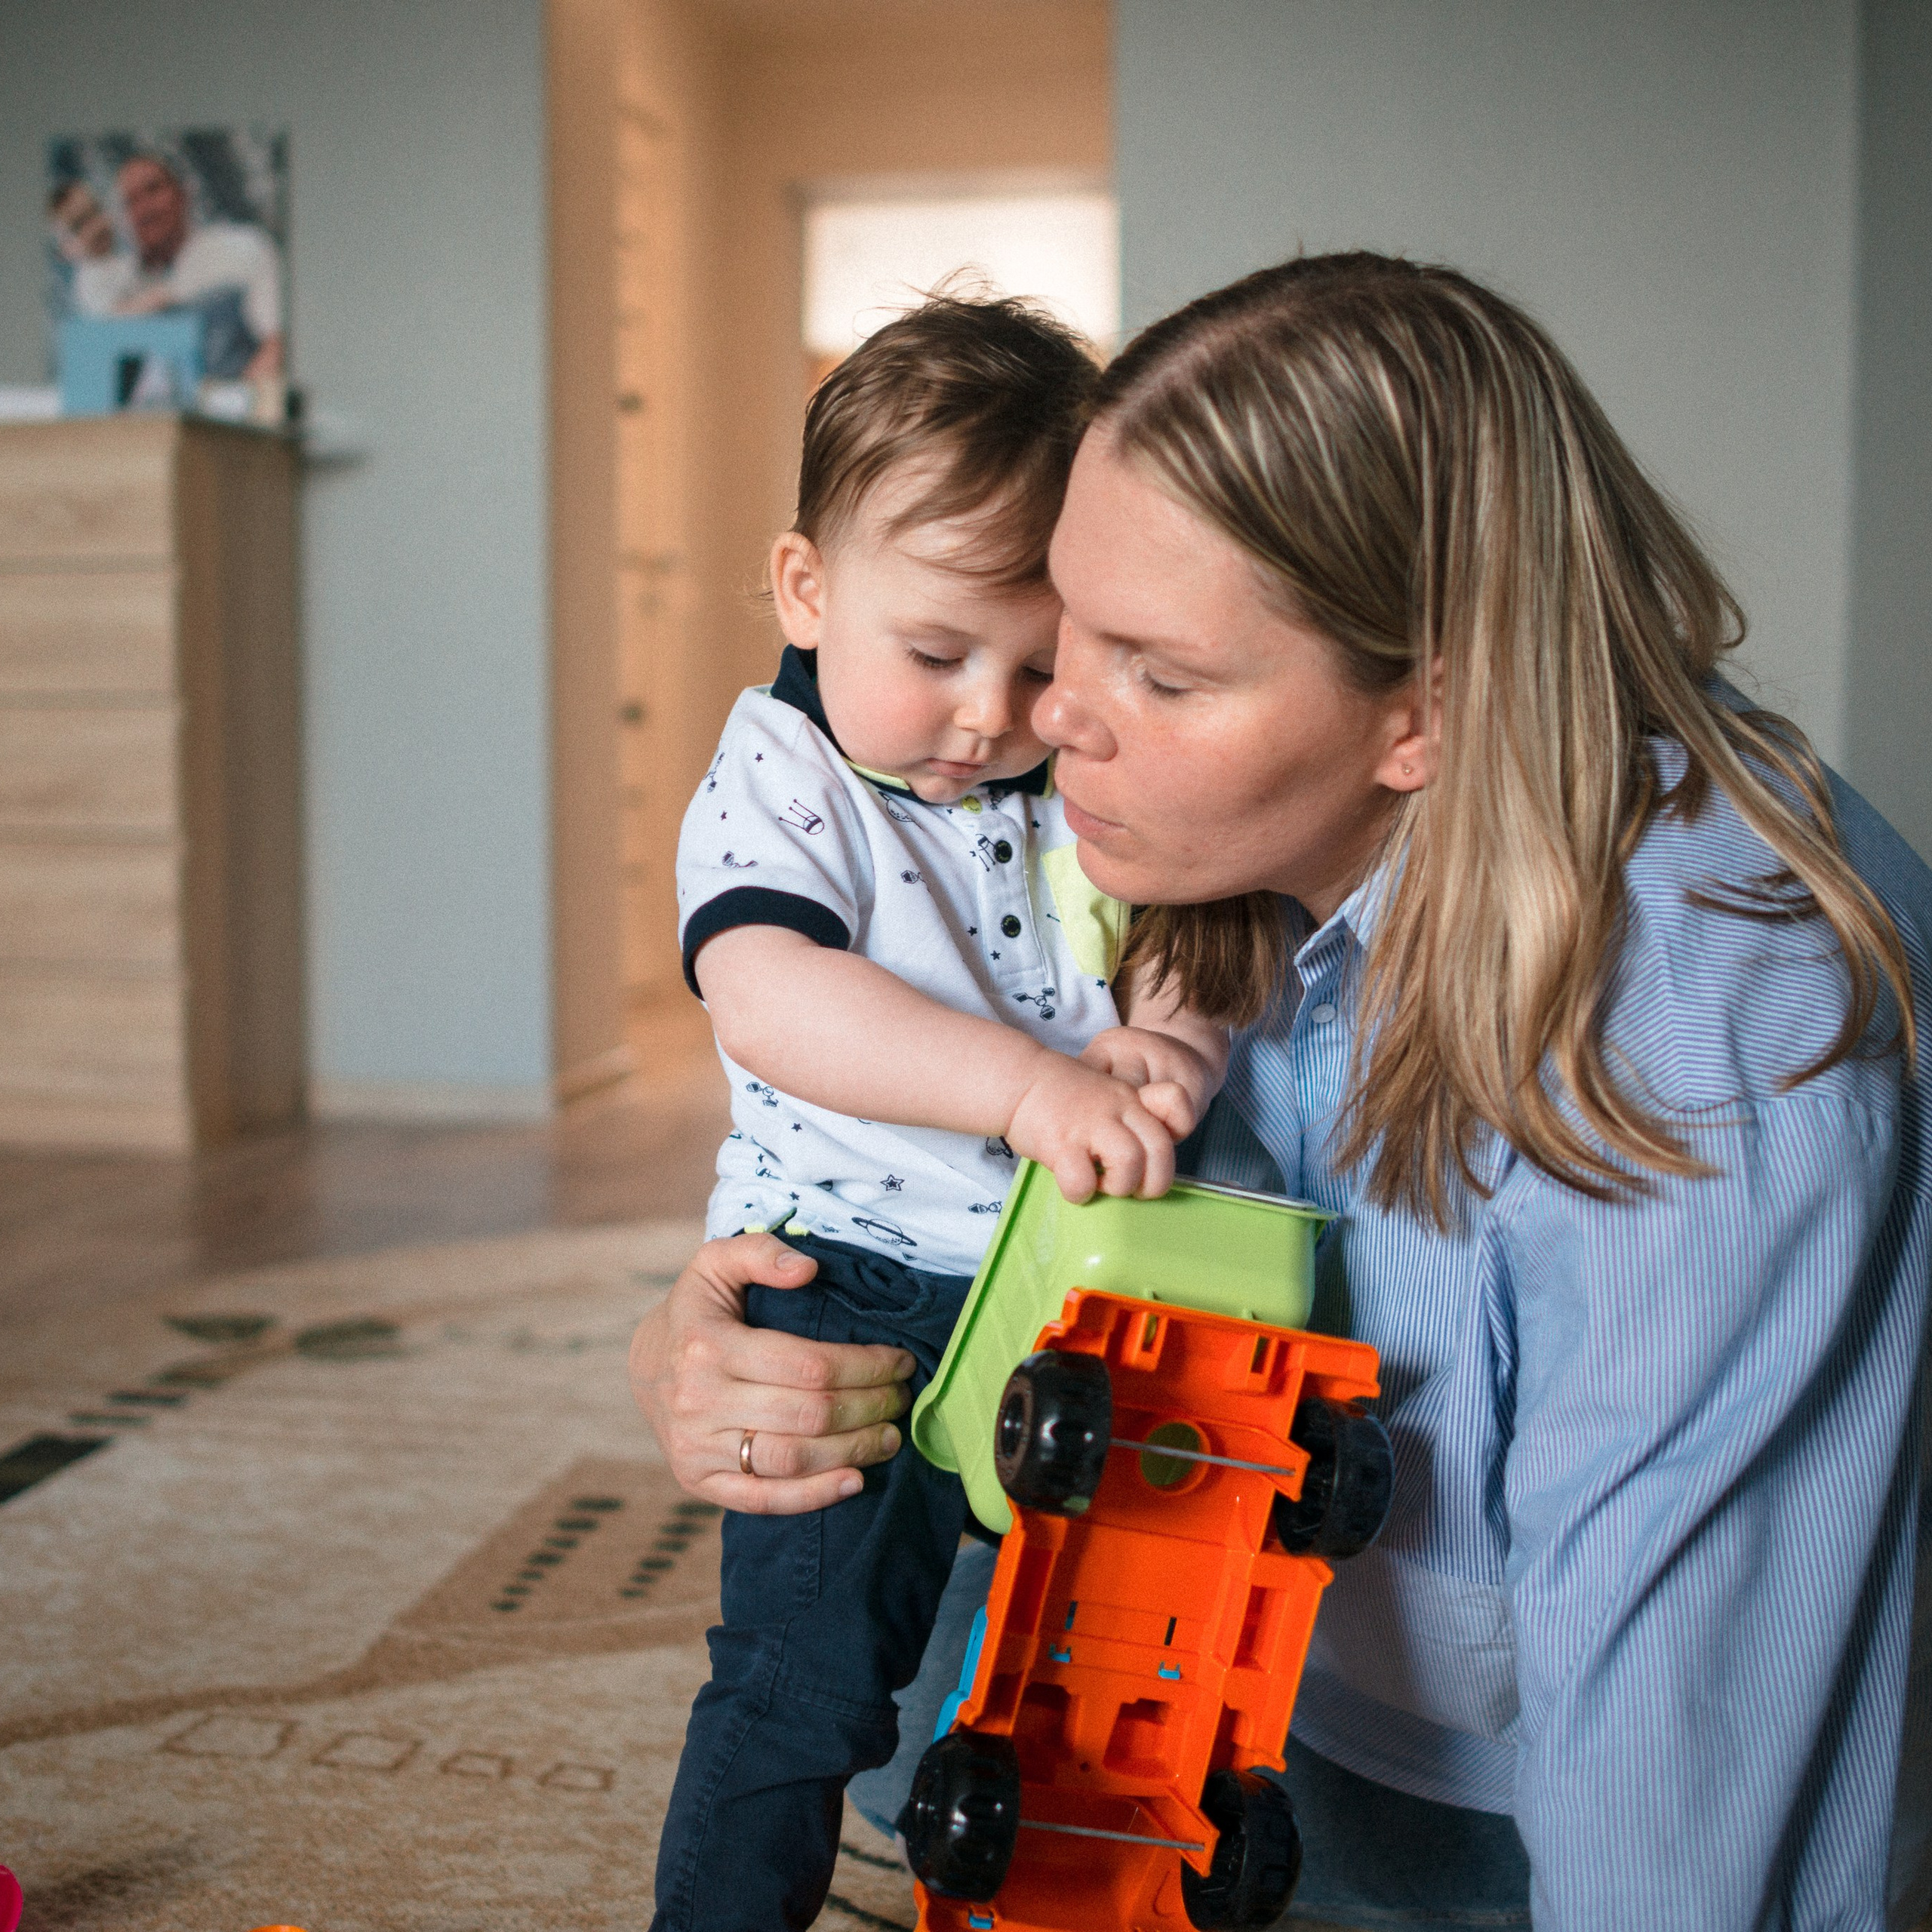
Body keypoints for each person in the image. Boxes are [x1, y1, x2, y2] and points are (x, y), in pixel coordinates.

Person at [630, 254, 1932, 1931]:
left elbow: (1687, 1754)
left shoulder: (1706, 1037)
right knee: (865, 1706)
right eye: (1060, 627)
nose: (1047, 723)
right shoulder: (1191, 829)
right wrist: (702, 1338)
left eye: (1154, 677)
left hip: (1516, 1790)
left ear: (1424, 717)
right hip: (1265, 1642)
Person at [653, 293, 1227, 1932]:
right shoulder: (781, 773)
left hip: (1063, 1288)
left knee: (1069, 1688)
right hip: (844, 1289)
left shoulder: (1057, 780)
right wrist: (1029, 1085)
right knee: (798, 1689)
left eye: (1038, 661)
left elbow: (1183, 927)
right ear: (805, 587)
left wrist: (1165, 1044)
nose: (990, 713)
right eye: (934, 654)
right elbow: (769, 989)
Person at [112, 152, 285, 382]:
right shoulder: (115, 287)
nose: (145, 210)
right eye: (131, 201)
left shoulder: (241, 248)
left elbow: (278, 342)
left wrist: (233, 404)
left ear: (183, 193)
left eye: (153, 190)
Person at [45, 179, 136, 317]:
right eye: (78, 226)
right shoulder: (88, 283)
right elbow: (114, 317)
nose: (95, 227)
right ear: (64, 252)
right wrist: (159, 297)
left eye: (96, 211)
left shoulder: (123, 257)